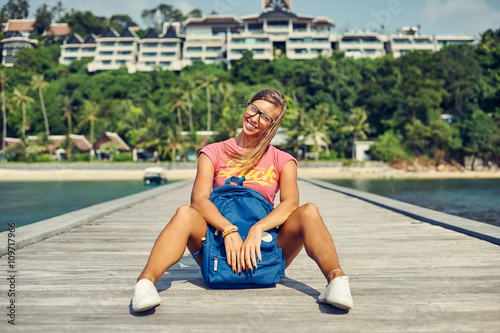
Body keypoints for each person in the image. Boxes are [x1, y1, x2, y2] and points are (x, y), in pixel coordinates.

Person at [132, 88, 353, 312]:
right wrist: (229, 230)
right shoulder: (214, 152)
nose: (254, 119)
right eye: (253, 109)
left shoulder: (282, 160)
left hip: (265, 246)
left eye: (265, 117)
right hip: (218, 245)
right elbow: (198, 200)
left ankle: (336, 281)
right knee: (184, 213)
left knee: (310, 211)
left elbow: (290, 204)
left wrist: (258, 229)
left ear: (273, 125)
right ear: (247, 107)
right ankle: (145, 284)